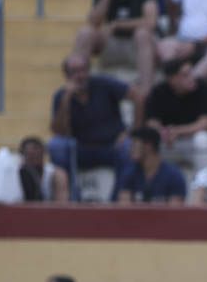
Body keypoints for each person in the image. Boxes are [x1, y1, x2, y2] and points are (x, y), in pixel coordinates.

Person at [48, 54, 143, 195]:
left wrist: (133, 133)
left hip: (112, 145)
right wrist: (66, 101)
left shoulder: (103, 84)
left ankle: (119, 201)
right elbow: (59, 131)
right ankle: (71, 199)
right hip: (81, 148)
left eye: (83, 70)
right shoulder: (61, 96)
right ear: (67, 75)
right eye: (74, 72)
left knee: (129, 146)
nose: (80, 76)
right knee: (56, 145)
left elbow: (137, 96)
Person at [74, 0, 160, 93]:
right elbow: (94, 21)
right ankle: (78, 87)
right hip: (111, 43)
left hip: (137, 45)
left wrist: (118, 24)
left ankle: (146, 92)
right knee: (85, 33)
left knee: (142, 34)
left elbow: (151, 22)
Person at [143, 58, 207, 171]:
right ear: (172, 79)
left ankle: (204, 184)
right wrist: (164, 133)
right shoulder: (158, 92)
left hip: (193, 140)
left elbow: (206, 123)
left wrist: (178, 131)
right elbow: (152, 122)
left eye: (191, 73)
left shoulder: (203, 88)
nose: (191, 78)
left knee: (203, 140)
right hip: (170, 141)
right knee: (145, 143)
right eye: (185, 75)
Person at [116, 126, 187, 203]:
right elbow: (123, 209)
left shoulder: (173, 176)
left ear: (148, 146)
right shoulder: (129, 173)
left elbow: (176, 212)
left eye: (134, 144)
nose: (131, 149)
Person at [18, 137, 71, 202]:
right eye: (29, 155)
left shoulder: (56, 174)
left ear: (43, 153)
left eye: (36, 154)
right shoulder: (17, 174)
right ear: (23, 155)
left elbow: (62, 202)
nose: (33, 158)